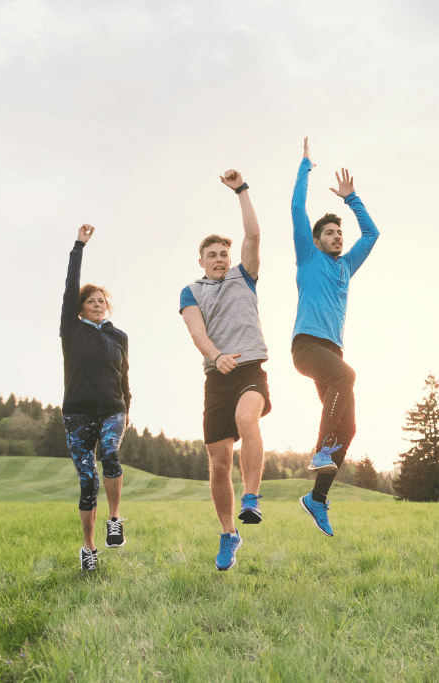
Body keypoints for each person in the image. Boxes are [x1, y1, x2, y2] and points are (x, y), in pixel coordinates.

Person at [180, 169, 273, 571]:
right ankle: (227, 534)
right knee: (218, 462)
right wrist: (216, 356)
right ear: (201, 261)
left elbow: (253, 235)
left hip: (250, 368)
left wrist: (241, 191)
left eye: (224, 254)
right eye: (212, 255)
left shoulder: (245, 277)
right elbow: (196, 332)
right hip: (216, 376)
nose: (219, 260)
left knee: (246, 416)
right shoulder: (191, 291)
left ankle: (251, 498)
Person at [290, 137, 380, 537]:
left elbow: (372, 234)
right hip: (306, 346)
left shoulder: (346, 267)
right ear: (316, 240)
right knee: (347, 376)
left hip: (332, 351)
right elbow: (296, 208)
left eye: (338, 233)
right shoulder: (307, 258)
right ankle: (322, 448)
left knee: (351, 429)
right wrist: (306, 166)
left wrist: (352, 199)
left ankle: (317, 498)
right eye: (329, 233)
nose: (337, 237)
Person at [61, 223, 131, 573]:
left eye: (101, 301)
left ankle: (115, 518)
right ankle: (88, 547)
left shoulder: (119, 337)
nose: (97, 304)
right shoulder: (71, 330)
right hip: (77, 414)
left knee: (111, 452)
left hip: (113, 410)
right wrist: (79, 247)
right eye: (90, 301)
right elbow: (70, 286)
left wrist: (127, 411)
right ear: (80, 308)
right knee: (87, 480)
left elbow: (125, 377)